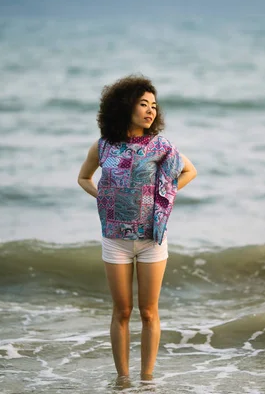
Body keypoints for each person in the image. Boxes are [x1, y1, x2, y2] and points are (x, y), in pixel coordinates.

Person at [77, 75, 197, 381]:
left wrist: (164, 196)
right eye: (143, 104)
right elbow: (84, 178)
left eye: (154, 105)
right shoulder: (104, 146)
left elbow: (189, 171)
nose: (150, 111)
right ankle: (123, 380)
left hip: (151, 239)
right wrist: (103, 196)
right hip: (114, 239)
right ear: (125, 107)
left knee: (148, 312)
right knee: (122, 312)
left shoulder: (161, 146)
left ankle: (146, 381)